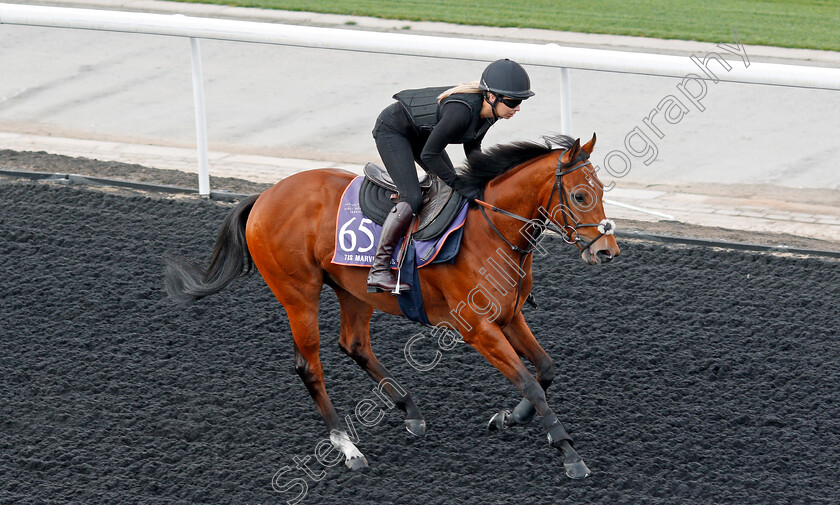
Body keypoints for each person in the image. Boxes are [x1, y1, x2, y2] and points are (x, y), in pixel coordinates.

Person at [367, 58, 535, 294]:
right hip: (394, 130)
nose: (517, 108)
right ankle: (379, 270)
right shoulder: (461, 112)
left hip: (421, 133)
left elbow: (473, 147)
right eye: (513, 102)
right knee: (413, 197)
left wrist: (484, 179)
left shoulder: (491, 112)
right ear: (492, 97)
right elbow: (430, 153)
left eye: (521, 102)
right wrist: (460, 184)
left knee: (450, 188)